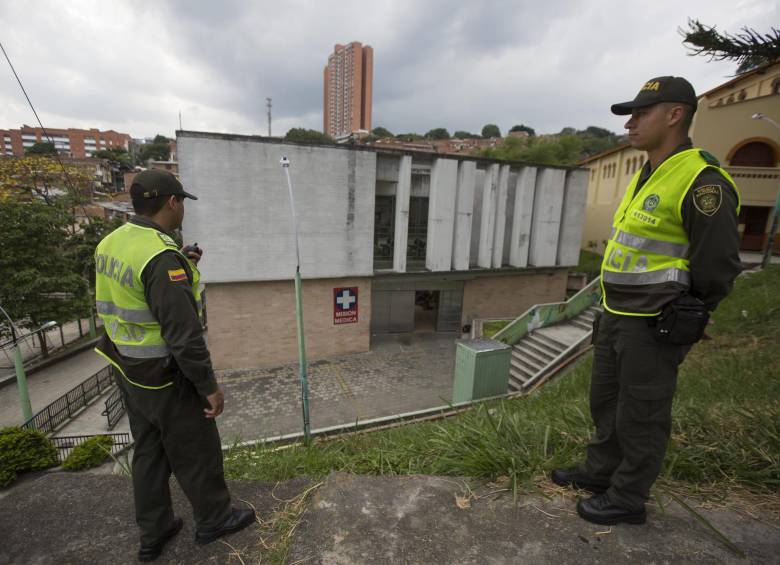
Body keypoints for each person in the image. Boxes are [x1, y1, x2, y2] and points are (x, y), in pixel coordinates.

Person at [551, 77, 742, 525]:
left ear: (675, 115)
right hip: (617, 314)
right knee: (607, 402)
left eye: (641, 114)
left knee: (642, 412)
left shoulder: (702, 180)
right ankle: (600, 472)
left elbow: (717, 264)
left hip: (656, 322)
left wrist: (692, 312)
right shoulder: (649, 172)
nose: (630, 124)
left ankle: (627, 496)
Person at [94, 169, 255, 561]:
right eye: (182, 202)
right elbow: (184, 335)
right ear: (171, 202)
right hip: (167, 378)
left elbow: (130, 296)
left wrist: (184, 265)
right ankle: (215, 519)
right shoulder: (161, 258)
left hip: (129, 372)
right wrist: (209, 387)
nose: (182, 209)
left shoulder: (111, 242)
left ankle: (155, 531)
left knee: (148, 452)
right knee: (196, 451)